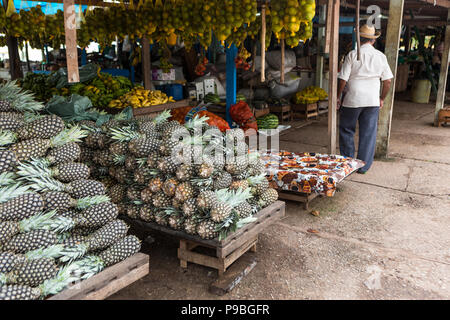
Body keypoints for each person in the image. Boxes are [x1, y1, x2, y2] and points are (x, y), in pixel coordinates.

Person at [337, 24, 393, 174]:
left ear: (359, 38)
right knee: (368, 133)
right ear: (373, 41)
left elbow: (343, 79)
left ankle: (348, 165)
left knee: (346, 130)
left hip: (352, 99)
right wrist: (381, 98)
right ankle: (363, 167)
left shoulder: (352, 54)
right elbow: (387, 81)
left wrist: (338, 96)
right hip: (372, 101)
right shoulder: (381, 57)